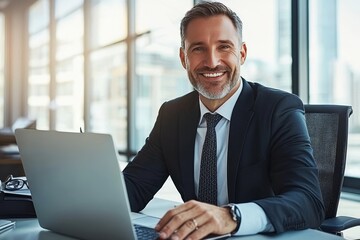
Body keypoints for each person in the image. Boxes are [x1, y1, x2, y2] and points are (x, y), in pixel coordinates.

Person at [123, 1, 325, 239]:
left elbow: (308, 201)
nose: (211, 61)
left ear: (242, 53)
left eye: (224, 47)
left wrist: (231, 216)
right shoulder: (172, 115)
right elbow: (134, 189)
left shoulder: (278, 109)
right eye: (198, 48)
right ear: (183, 57)